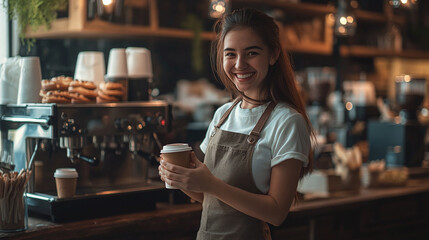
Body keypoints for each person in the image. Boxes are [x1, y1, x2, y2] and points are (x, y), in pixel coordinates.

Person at [159, 8, 313, 240]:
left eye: (251, 53)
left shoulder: (287, 121)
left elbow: (277, 212)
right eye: (230, 54)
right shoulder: (223, 114)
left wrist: (210, 184)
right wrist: (181, 179)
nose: (240, 64)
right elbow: (209, 198)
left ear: (273, 55)